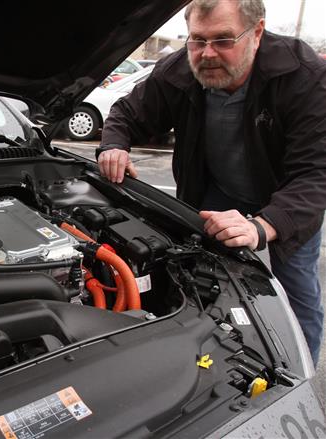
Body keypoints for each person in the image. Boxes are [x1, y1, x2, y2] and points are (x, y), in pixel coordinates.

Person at [96, 0, 326, 365]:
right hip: (216, 190)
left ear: (258, 32)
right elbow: (127, 112)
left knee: (296, 296)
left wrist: (262, 227)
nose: (206, 54)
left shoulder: (303, 75)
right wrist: (113, 146)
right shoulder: (178, 71)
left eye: (223, 40)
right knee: (202, 281)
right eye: (197, 40)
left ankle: (302, 378)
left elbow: (315, 174)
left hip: (287, 200)